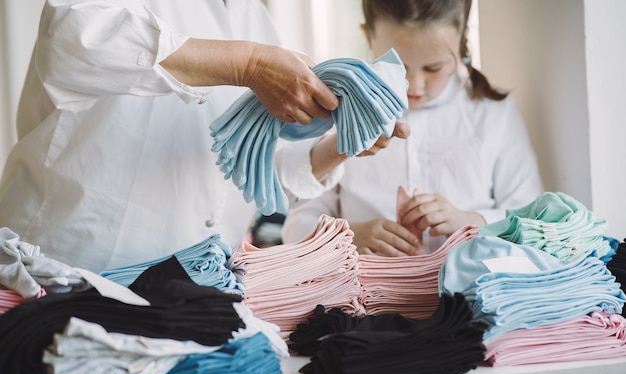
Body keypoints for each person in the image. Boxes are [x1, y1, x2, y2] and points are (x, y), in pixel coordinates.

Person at [0, 0, 408, 273]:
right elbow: (73, 40)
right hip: (72, 263)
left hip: (199, 284)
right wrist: (248, 64)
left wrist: (343, 143)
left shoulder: (254, 17)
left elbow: (253, 166)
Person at [280, 0, 544, 262]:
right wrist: (344, 238)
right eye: (400, 66)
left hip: (472, 295)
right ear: (368, 37)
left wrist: (472, 222)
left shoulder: (494, 113)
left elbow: (534, 219)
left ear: (462, 41)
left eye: (434, 68)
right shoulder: (337, 113)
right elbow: (296, 225)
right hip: (367, 296)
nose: (415, 85)